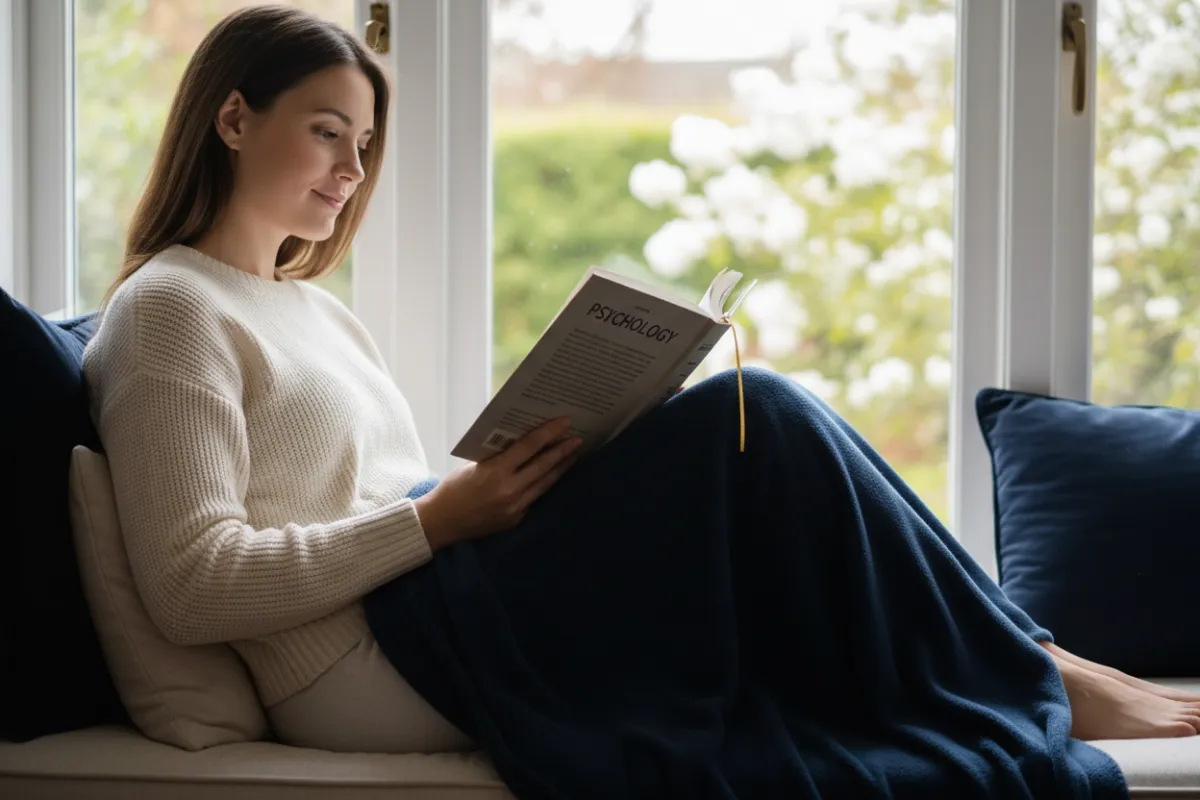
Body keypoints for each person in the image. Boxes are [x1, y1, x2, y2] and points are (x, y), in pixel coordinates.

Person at [82, 3, 1200, 769]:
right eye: (328, 133)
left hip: (430, 599)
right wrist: (436, 519)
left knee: (758, 415)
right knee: (761, 428)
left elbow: (382, 504)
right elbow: (191, 582)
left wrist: (494, 487)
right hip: (360, 667)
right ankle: (1041, 665)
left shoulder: (317, 310)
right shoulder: (171, 310)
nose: (350, 171)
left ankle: (1035, 652)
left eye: (366, 146)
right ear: (234, 118)